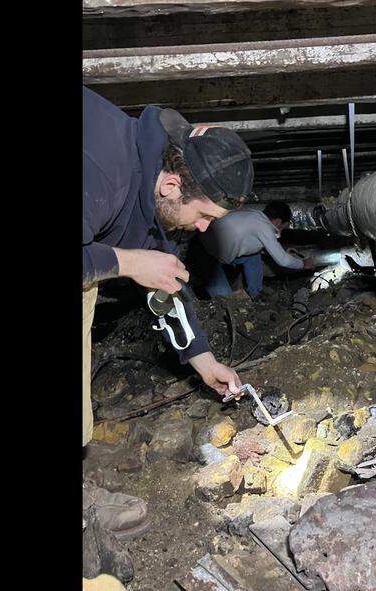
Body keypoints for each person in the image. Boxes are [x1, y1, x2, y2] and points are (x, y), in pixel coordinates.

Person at [83, 85, 252, 447]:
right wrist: (128, 262)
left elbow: (165, 281)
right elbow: (136, 262)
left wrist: (203, 360)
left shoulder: (156, 194)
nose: (205, 227)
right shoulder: (101, 169)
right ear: (172, 185)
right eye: (205, 215)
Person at [198, 201, 315, 298]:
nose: (281, 231)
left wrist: (283, 252)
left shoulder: (254, 216)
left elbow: (253, 243)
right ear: (278, 222)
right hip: (205, 257)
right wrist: (303, 263)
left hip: (216, 250)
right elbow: (283, 261)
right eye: (283, 227)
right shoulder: (263, 226)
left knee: (253, 256)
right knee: (225, 301)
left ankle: (255, 293)